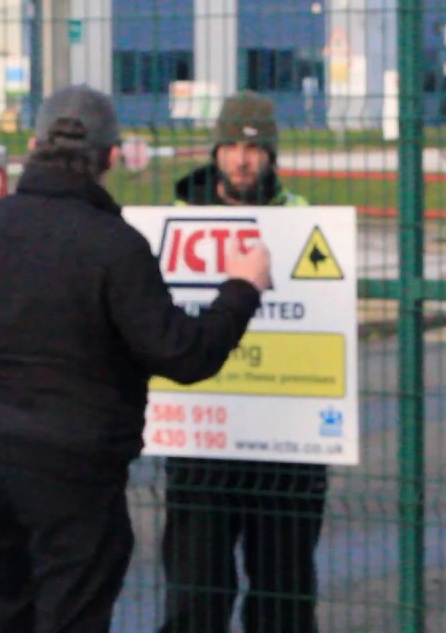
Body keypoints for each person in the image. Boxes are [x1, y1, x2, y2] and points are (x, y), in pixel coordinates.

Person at [0, 84, 273, 633]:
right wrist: (242, 288)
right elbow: (183, 353)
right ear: (109, 158)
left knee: (1, 610)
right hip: (78, 469)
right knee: (73, 614)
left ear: (33, 145)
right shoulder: (114, 246)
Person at [159, 91, 326, 633]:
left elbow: (323, 312)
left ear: (272, 155)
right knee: (196, 592)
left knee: (284, 594)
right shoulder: (177, 221)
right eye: (231, 145)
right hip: (203, 436)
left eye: (254, 149)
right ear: (216, 150)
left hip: (286, 443)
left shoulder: (301, 220)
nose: (242, 159)